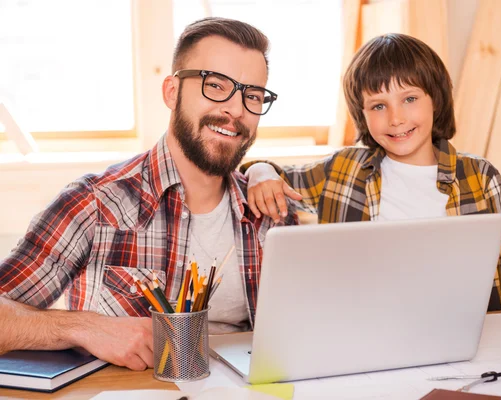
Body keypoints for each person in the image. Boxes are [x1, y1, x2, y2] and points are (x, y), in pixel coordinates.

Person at [0, 17, 296, 371]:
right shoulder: (95, 203)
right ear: (171, 92)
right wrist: (83, 327)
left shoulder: (273, 211)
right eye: (216, 86)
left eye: (252, 95)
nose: (235, 109)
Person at [242, 33, 501, 311]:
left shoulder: (480, 177)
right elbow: (273, 176)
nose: (395, 119)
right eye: (379, 105)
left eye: (410, 99)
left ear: (436, 99)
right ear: (362, 115)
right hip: (362, 332)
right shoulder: (343, 170)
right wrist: (261, 170)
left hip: (455, 332)